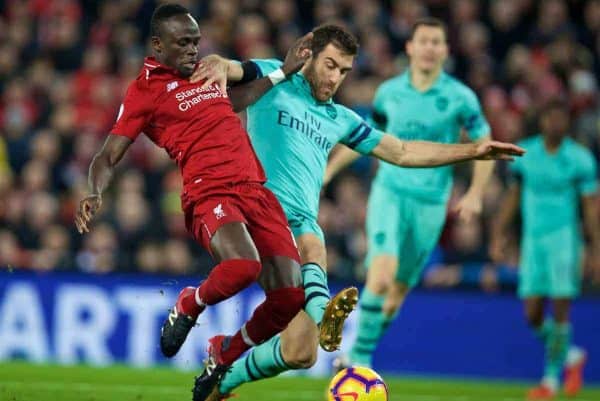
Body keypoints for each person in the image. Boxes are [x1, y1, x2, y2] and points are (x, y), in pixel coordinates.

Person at [190, 23, 524, 401]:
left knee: (300, 352)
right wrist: (217, 63)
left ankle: (223, 379)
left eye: (344, 71)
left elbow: (401, 151)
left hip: (298, 225)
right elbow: (232, 68)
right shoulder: (275, 77)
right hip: (256, 216)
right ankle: (325, 313)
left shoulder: (341, 118)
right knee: (313, 245)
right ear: (308, 55)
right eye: (330, 65)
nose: (335, 78)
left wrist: (473, 151)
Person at [73, 4, 313, 400]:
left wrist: (284, 71)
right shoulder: (143, 91)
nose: (192, 50)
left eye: (196, 42)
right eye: (183, 43)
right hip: (210, 191)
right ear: (157, 45)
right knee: (243, 266)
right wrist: (95, 191)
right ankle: (189, 303)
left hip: (256, 188)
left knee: (289, 297)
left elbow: (235, 101)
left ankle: (224, 353)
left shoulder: (204, 74)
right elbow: (108, 154)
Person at [325, 17, 498, 370]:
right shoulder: (389, 92)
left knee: (397, 293)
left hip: (431, 204)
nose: (430, 48)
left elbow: (486, 145)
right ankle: (359, 359)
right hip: (390, 193)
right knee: (382, 274)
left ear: (446, 51)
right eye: (424, 41)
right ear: (410, 47)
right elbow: (366, 137)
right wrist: (328, 171)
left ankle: (360, 344)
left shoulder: (460, 98)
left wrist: (477, 192)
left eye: (437, 42)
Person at [490, 100, 599, 400]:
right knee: (533, 313)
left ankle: (550, 381)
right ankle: (572, 354)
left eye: (561, 119)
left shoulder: (580, 159)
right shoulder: (525, 154)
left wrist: (596, 248)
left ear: (568, 123)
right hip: (533, 242)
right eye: (551, 118)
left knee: (561, 310)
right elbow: (513, 197)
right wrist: (499, 233)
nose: (555, 124)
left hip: (565, 241)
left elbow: (590, 207)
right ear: (542, 121)